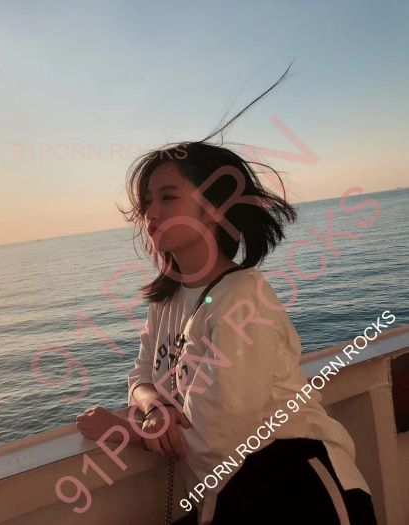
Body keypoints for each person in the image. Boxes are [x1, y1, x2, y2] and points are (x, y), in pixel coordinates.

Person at [75, 66, 377, 525]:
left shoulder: (243, 297)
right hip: (229, 496)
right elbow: (140, 374)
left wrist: (122, 429)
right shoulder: (167, 300)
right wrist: (153, 407)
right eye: (147, 201)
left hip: (296, 490)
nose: (150, 213)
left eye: (168, 197)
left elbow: (218, 436)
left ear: (214, 209)